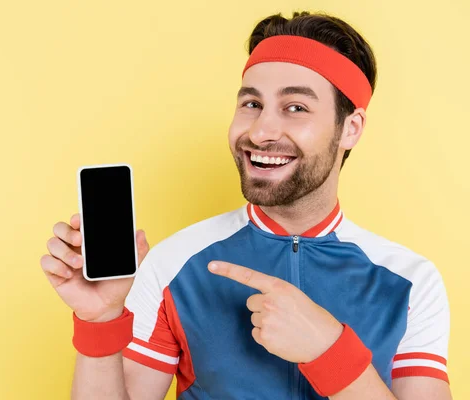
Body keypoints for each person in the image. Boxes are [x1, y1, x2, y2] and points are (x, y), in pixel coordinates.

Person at [40, 11, 452, 400]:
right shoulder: (173, 265)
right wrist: (101, 322)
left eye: (296, 108)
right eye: (252, 104)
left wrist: (330, 351)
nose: (261, 131)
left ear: (350, 128)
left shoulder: (411, 282)